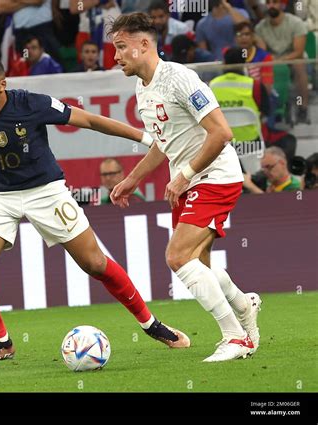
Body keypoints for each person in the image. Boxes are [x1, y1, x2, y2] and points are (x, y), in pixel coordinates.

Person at [0, 56, 190, 364]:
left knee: (95, 264)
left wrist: (144, 136)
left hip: (46, 191)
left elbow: (88, 120)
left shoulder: (31, 104)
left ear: (2, 85)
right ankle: (1, 343)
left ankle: (152, 326)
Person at [109, 13, 261, 362]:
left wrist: (185, 173)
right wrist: (132, 179)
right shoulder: (142, 88)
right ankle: (244, 304)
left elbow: (222, 133)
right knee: (199, 264)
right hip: (186, 184)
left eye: (121, 47)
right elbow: (165, 142)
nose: (115, 56)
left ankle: (235, 337)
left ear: (144, 44)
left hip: (215, 176)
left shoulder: (180, 78)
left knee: (177, 257)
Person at [254, 0, 309, 123]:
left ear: (282, 5)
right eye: (268, 3)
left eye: (275, 2)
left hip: (292, 59)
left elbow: (298, 52)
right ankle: (274, 108)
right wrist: (274, 61)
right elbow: (263, 52)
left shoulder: (296, 22)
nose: (271, 6)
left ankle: (302, 108)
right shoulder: (260, 27)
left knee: (299, 65)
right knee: (263, 66)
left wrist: (280, 60)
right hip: (272, 60)